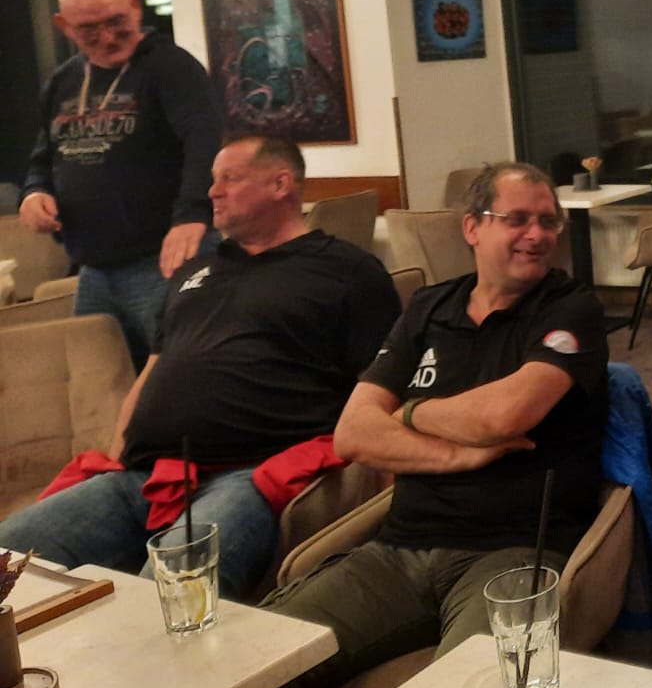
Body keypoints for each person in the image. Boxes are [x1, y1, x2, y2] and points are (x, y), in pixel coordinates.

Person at [0, 135, 399, 597]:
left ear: (280, 184)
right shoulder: (196, 272)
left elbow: (385, 388)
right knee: (8, 555)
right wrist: (117, 457)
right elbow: (154, 370)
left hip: (250, 473)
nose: (212, 191)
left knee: (170, 596)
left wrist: (393, 510)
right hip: (143, 474)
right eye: (212, 179)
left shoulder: (348, 271)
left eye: (229, 178)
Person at [263, 162, 610, 688]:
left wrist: (410, 411)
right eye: (517, 219)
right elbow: (353, 434)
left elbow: (506, 415)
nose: (538, 235)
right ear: (473, 227)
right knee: (255, 661)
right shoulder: (429, 307)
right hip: (398, 549)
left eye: (548, 221)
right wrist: (458, 453)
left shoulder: (571, 307)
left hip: (515, 552)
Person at [19, 0, 222, 368]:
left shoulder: (171, 67)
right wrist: (34, 191)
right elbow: (45, 156)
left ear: (134, 6)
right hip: (93, 270)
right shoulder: (62, 82)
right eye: (89, 29)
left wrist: (193, 214)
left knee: (180, 378)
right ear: (64, 26)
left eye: (116, 22)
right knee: (98, 382)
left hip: (163, 259)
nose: (109, 37)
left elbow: (205, 143)